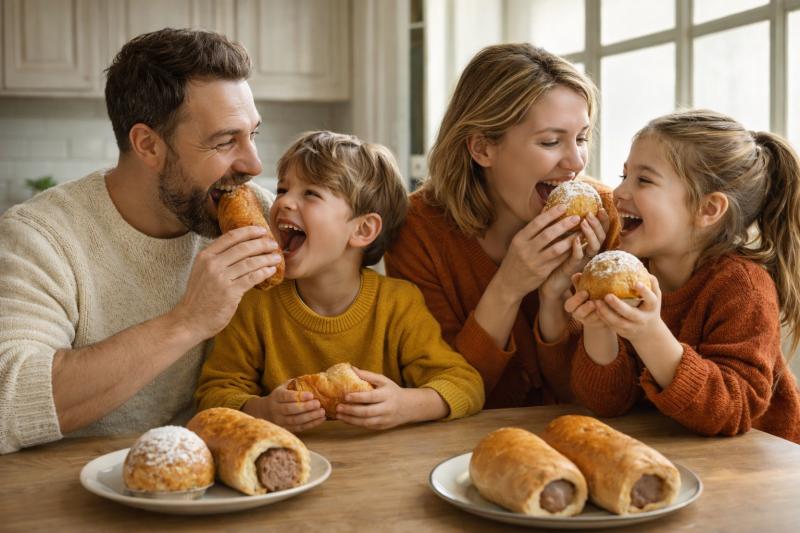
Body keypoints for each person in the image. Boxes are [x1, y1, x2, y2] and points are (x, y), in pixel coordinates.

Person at [0, 28, 283, 454]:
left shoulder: (261, 214)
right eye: (226, 141)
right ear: (148, 145)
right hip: (70, 483)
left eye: (252, 135)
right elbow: (9, 403)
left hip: (221, 474)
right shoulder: (42, 238)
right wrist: (189, 321)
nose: (254, 164)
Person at [195, 131, 485, 432]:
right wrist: (263, 410)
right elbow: (213, 394)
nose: (284, 202)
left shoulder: (398, 304)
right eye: (282, 189)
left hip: (382, 457)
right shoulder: (255, 301)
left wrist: (405, 405)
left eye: (310, 193)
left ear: (362, 230)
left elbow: (466, 384)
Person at [384, 43, 618, 408]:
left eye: (582, 138)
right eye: (551, 141)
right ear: (482, 149)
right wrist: (508, 286)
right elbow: (443, 390)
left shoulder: (607, 216)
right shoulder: (418, 230)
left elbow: (595, 399)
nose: (576, 162)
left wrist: (555, 300)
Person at [565, 109, 800, 443]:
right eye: (623, 175)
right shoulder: (633, 273)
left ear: (708, 209)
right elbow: (606, 403)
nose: (618, 192)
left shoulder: (743, 288)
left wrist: (648, 334)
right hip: (676, 453)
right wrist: (597, 326)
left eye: (644, 180)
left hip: (761, 465)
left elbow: (731, 411)